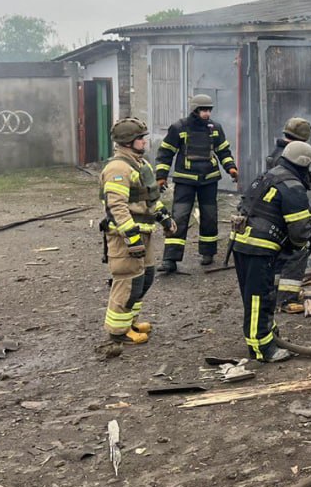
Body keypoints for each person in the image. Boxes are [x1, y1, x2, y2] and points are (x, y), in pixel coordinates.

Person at [230, 140, 311, 362]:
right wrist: (303, 243)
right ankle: (262, 348)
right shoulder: (293, 186)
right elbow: (299, 230)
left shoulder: (267, 176)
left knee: (260, 295)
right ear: (303, 163)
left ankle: (267, 332)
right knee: (259, 298)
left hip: (242, 243)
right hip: (259, 249)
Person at [99, 117, 177, 347]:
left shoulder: (140, 164)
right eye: (141, 138)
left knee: (145, 278)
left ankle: (130, 322)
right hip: (125, 237)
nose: (145, 141)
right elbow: (116, 207)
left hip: (144, 232)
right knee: (128, 281)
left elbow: (150, 197)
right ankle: (118, 331)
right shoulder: (118, 168)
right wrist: (131, 237)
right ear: (128, 141)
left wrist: (164, 217)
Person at [155, 94, 237, 272]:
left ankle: (208, 253)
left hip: (209, 180)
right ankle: (170, 259)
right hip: (185, 181)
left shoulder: (215, 128)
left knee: (209, 217)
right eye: (203, 110)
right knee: (179, 217)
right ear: (195, 110)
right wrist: (161, 176)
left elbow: (223, 150)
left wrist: (231, 167)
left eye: (209, 110)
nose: (207, 113)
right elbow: (166, 152)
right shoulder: (179, 128)